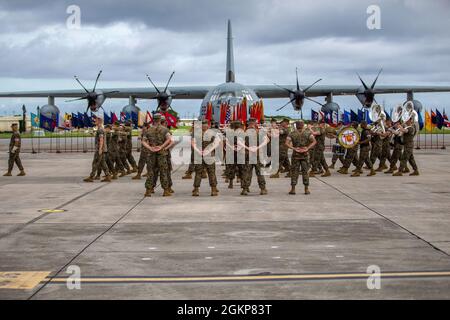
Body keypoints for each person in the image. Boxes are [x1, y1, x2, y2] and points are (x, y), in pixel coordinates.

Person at [142, 114, 173, 197]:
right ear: (160, 120)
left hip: (151, 153)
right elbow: (169, 139)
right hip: (162, 153)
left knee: (150, 172)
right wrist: (162, 146)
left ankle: (148, 190)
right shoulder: (165, 129)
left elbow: (143, 141)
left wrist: (150, 148)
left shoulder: (148, 130)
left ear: (153, 120)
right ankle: (166, 191)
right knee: (163, 172)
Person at [239, 118, 269, 195]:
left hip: (248, 155)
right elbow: (266, 140)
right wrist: (258, 147)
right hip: (257, 154)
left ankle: (245, 189)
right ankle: (263, 189)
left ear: (248, 123)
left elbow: (239, 142)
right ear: (255, 123)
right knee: (259, 172)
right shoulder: (260, 132)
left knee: (247, 172)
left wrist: (248, 148)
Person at [285, 120, 316, 195]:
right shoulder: (308, 133)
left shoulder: (292, 133)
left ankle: (293, 189)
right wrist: (307, 148)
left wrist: (294, 148)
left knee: (294, 172)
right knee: (305, 172)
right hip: (305, 154)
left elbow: (286, 143)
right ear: (303, 125)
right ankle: (306, 189)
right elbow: (314, 141)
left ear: (296, 125)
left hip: (296, 154)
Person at [191, 120, 220, 197]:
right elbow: (216, 143)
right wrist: (208, 151)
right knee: (211, 172)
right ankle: (213, 189)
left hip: (200, 155)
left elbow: (193, 144)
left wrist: (199, 151)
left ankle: (196, 190)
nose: (204, 126)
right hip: (208, 154)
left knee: (199, 173)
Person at [83, 117, 111, 182]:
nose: (94, 121)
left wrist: (100, 149)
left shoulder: (100, 129)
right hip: (103, 149)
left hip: (100, 149)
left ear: (99, 121)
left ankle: (91, 177)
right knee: (103, 163)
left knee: (95, 163)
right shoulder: (101, 129)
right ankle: (108, 176)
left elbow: (101, 139)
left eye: (96, 121)